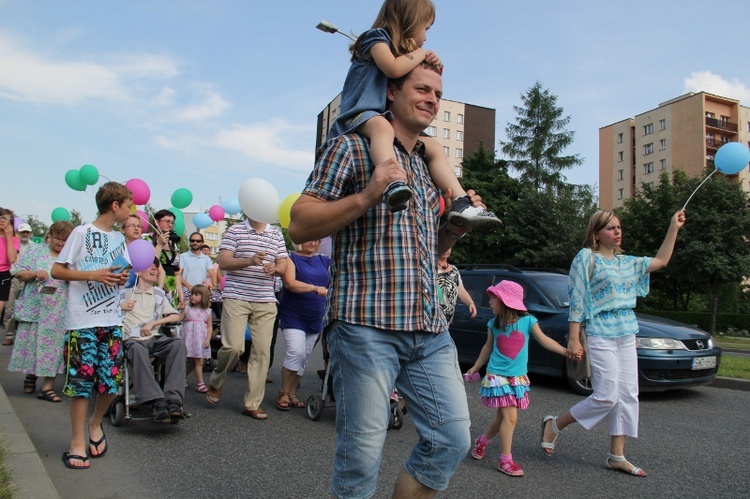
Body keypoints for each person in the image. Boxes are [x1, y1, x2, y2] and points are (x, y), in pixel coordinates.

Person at [289, 62, 479, 498]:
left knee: (451, 439)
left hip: (429, 328)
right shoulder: (352, 148)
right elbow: (300, 224)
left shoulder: (431, 166)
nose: (432, 99)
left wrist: (453, 228)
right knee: (361, 458)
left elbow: (431, 251)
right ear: (391, 93)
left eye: (437, 93)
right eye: (422, 88)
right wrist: (370, 192)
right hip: (365, 326)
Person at [325, 0, 500, 231]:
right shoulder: (375, 38)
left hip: (380, 115)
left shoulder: (402, 53)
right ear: (410, 19)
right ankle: (392, 180)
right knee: (382, 128)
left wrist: (431, 62)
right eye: (425, 28)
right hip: (358, 114)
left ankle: (461, 202)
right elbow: (393, 69)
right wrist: (420, 53)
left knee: (435, 147)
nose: (426, 38)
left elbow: (415, 71)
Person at [540, 209, 686, 477]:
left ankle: (617, 455)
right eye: (610, 228)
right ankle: (555, 424)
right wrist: (573, 338)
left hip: (627, 331)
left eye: (618, 227)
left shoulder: (626, 262)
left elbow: (662, 260)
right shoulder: (586, 258)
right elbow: (578, 298)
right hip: (599, 330)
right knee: (606, 395)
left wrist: (673, 228)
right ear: (596, 234)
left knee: (628, 393)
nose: (617, 232)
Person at [51, 181, 133, 470]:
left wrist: (120, 278)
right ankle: (76, 442)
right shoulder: (81, 233)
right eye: (128, 205)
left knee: (111, 382)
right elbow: (58, 269)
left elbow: (118, 273)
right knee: (81, 384)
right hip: (82, 321)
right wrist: (94, 275)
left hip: (111, 319)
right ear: (115, 206)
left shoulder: (118, 239)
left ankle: (95, 424)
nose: (130, 211)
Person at [464, 280, 569, 477]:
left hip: (517, 377)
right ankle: (505, 461)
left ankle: (482, 442)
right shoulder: (493, 324)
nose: (490, 302)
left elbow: (544, 340)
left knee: (502, 417)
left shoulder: (528, 321)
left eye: (494, 298)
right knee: (510, 417)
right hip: (497, 376)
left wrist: (565, 351)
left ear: (505, 301)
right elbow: (488, 347)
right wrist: (475, 367)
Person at [205, 217, 288, 421]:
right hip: (237, 296)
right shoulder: (236, 230)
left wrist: (276, 269)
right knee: (233, 347)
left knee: (261, 352)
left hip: (265, 300)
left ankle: (252, 404)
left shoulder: (276, 234)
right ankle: (216, 381)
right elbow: (223, 262)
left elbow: (284, 265)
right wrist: (249, 261)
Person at [8, 221, 74, 402]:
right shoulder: (36, 251)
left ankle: (47, 387)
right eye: (57, 239)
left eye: (64, 240)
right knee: (32, 344)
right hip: (35, 306)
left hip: (58, 310)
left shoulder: (71, 257)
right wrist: (36, 273)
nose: (60, 243)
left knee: (54, 348)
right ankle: (31, 375)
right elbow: (19, 273)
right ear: (50, 236)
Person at [119, 258, 186, 423]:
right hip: (133, 339)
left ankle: (173, 400)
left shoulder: (159, 294)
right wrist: (120, 306)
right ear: (138, 272)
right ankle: (156, 401)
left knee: (177, 345)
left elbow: (175, 315)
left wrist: (154, 323)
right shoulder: (124, 294)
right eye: (150, 267)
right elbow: (106, 310)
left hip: (154, 337)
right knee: (137, 349)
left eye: (156, 267)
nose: (154, 269)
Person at [276, 239, 330, 410]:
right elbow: (290, 283)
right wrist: (314, 288)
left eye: (316, 240)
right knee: (296, 351)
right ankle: (284, 391)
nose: (312, 243)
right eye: (309, 239)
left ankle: (292, 393)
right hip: (294, 313)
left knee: (304, 355)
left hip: (315, 315)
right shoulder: (290, 258)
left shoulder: (324, 260)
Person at [3, 222, 35, 345]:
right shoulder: (13, 243)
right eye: (23, 232)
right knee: (9, 308)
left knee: (27, 308)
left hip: (28, 279)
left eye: (27, 232)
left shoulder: (34, 247)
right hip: (14, 278)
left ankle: (25, 337)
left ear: (30, 233)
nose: (25, 234)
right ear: (19, 233)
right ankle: (9, 335)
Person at [178, 284, 212, 394]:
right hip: (189, 338)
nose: (193, 296)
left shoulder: (207, 311)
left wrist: (208, 339)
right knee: (193, 360)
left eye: (197, 294)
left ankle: (198, 382)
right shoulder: (187, 309)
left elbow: (209, 326)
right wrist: (177, 309)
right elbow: (179, 319)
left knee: (198, 360)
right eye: (192, 294)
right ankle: (197, 382)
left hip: (200, 339)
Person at [122, 214, 165, 289]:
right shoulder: (117, 249)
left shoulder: (147, 248)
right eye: (132, 225)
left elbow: (161, 272)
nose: (136, 228)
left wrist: (159, 292)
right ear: (123, 229)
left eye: (139, 226)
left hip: (142, 295)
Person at [436, 247, 476, 324]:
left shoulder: (454, 270)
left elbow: (461, 290)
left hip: (447, 321)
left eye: (449, 247)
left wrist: (470, 303)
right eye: (444, 247)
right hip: (431, 318)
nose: (446, 250)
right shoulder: (429, 268)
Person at [176, 232, 215, 308]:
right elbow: (178, 274)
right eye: (192, 241)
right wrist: (188, 286)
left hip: (201, 295)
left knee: (200, 318)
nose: (195, 243)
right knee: (185, 317)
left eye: (198, 241)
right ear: (190, 242)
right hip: (186, 293)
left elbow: (212, 274)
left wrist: (212, 286)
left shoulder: (206, 258)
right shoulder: (183, 257)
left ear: (202, 243)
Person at [0, 208, 19, 333]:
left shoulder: (14, 240)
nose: (2, 220)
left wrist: (8, 238)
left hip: (3, 276)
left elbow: (12, 258)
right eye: (1, 217)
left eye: (6, 218)